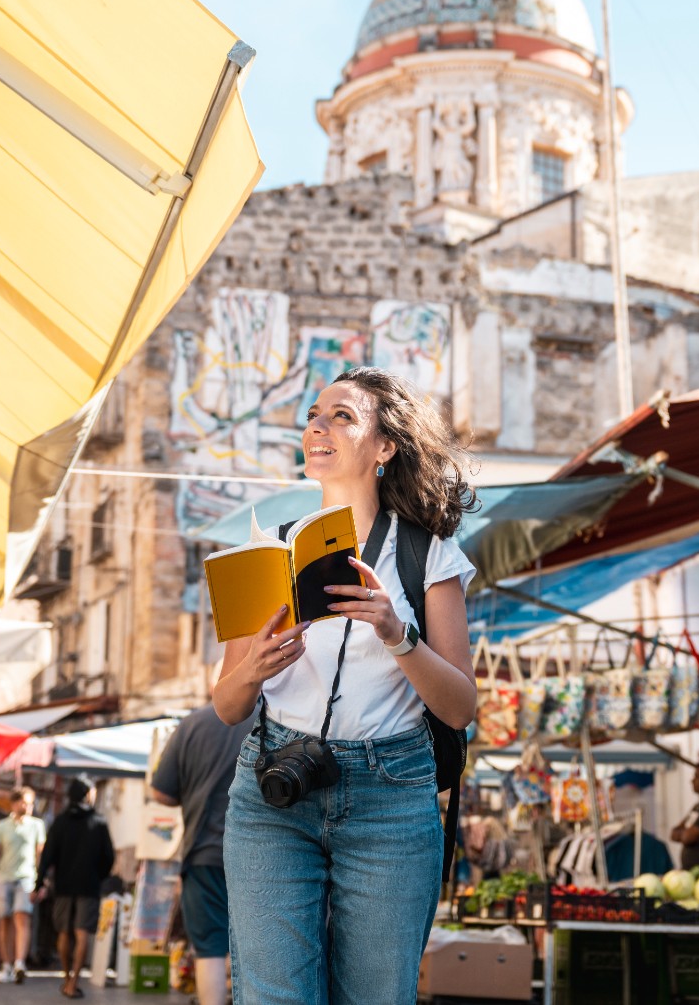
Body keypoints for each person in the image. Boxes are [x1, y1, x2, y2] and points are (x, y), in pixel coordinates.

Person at [214, 366, 479, 1005]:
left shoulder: (426, 552)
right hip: (274, 787)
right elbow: (226, 705)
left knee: (377, 997)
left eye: (342, 417)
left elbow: (460, 704)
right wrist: (256, 668)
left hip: (392, 794)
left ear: (384, 448)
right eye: (314, 415)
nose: (318, 427)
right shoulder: (267, 551)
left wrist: (395, 630)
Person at [149, 692, 256, 1005]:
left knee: (209, 946)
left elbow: (161, 793)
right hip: (262, 853)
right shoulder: (276, 718)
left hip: (204, 850)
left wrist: (196, 793)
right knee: (259, 945)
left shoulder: (192, 724)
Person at [36, 779, 115, 1000]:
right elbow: (108, 857)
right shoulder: (98, 822)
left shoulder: (60, 822)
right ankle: (74, 983)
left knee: (63, 932)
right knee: (81, 935)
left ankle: (66, 977)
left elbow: (47, 856)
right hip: (88, 886)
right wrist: (98, 876)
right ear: (86, 794)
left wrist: (39, 883)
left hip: (63, 885)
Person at [0, 786, 46, 984]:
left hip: (27, 877)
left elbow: (40, 854)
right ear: (14, 803)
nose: (28, 806)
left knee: (22, 918)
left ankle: (20, 963)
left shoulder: (37, 825)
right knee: (4, 921)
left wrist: (41, 881)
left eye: (31, 803)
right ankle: (6, 965)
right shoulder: (2, 826)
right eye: (25, 802)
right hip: (4, 877)